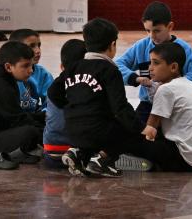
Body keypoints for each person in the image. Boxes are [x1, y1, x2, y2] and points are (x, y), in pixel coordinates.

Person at [47, 18, 144, 178]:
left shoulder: (73, 67)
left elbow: (52, 91)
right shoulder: (110, 70)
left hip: (72, 130)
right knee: (128, 129)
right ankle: (102, 159)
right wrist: (141, 127)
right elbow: (120, 108)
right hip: (97, 131)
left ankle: (76, 152)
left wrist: (71, 106)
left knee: (94, 126)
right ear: (112, 45)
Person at [116, 1, 192, 123]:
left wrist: (168, 86)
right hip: (148, 104)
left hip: (176, 104)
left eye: (157, 31)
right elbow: (117, 65)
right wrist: (135, 78)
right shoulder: (141, 46)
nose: (151, 35)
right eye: (147, 30)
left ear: (170, 27)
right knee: (134, 133)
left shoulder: (183, 48)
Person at [141, 42, 192, 171]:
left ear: (173, 67)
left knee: (133, 136)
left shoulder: (166, 89)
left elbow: (150, 130)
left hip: (185, 160)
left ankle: (137, 161)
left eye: (155, 63)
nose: (150, 68)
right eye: (150, 63)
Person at [42, 38, 86, 168]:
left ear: (62, 66)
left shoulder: (53, 87)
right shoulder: (89, 86)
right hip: (79, 152)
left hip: (51, 153)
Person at [9, 29, 54, 112]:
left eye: (39, 46)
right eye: (31, 46)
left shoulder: (43, 74)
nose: (38, 51)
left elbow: (51, 104)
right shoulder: (3, 74)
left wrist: (40, 116)